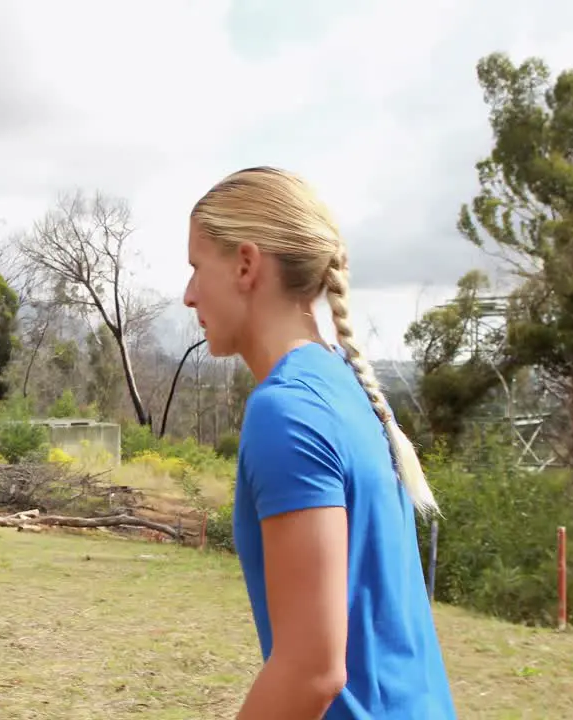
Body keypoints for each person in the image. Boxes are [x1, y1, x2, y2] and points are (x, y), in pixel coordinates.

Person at [181, 167, 456, 719]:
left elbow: (312, 671)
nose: (188, 295)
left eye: (195, 268)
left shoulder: (286, 412)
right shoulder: (343, 388)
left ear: (245, 264)